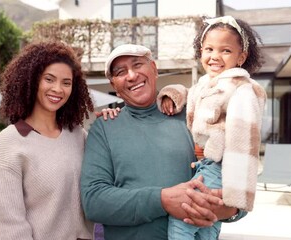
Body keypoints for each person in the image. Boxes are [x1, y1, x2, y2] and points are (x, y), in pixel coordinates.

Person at [80, 43, 244, 240]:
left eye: (138, 64)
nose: (132, 76)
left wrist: (226, 209)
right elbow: (94, 202)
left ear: (154, 69)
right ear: (114, 85)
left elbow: (238, 186)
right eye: (121, 72)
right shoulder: (104, 128)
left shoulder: (194, 115)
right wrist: (162, 200)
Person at [158, 16, 267, 239]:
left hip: (219, 168)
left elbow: (244, 143)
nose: (215, 56)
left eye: (225, 50)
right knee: (207, 227)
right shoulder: (208, 84)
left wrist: (234, 196)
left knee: (183, 217)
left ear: (241, 57)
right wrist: (172, 94)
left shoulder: (243, 89)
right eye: (209, 49)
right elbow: (190, 95)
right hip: (204, 165)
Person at [0, 41, 95, 240]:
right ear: (32, 80)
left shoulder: (78, 136)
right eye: (49, 79)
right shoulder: (9, 142)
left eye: (66, 83)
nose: (58, 89)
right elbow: (6, 228)